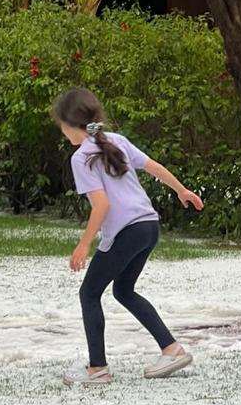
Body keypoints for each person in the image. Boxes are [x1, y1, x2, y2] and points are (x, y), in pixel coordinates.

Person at [53, 87, 203, 386]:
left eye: (61, 125)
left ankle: (97, 369)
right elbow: (153, 167)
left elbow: (102, 205)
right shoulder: (116, 141)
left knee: (89, 293)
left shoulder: (81, 158)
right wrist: (181, 190)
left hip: (128, 231)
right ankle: (171, 349)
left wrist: (84, 244)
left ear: (69, 124)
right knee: (123, 290)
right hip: (148, 226)